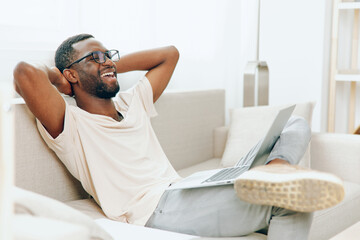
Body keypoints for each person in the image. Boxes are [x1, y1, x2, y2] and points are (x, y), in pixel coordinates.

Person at [13, 33, 344, 240]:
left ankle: (276, 169)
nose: (108, 63)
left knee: (295, 122)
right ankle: (274, 188)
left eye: (108, 55)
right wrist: (60, 79)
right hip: (156, 210)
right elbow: (24, 74)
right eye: (94, 58)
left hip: (189, 186)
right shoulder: (70, 124)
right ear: (71, 74)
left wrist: (107, 65)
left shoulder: (133, 102)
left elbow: (169, 53)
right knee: (294, 203)